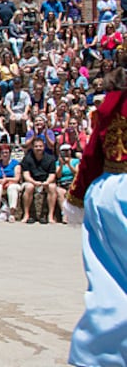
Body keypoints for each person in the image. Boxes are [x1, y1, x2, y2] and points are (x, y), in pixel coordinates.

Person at [64, 67, 127, 366]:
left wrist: (76, 196)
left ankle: (98, 352)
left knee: (108, 280)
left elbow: (91, 156)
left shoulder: (106, 106)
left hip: (107, 195)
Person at [20, 138, 57, 223]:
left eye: (40, 146)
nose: (38, 148)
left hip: (45, 181)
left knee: (52, 187)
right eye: (36, 146)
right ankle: (26, 214)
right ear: (32, 147)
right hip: (31, 181)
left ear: (44, 147)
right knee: (29, 187)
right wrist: (34, 182)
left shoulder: (50, 158)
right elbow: (26, 175)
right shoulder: (27, 158)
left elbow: (52, 174)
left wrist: (46, 182)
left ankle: (50, 215)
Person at [0, 144, 22, 222]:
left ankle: (12, 213)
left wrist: (7, 180)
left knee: (12, 188)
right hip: (1, 184)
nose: (5, 155)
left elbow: (17, 178)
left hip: (13, 184)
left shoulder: (15, 163)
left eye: (6, 152)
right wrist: (2, 182)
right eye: (3, 153)